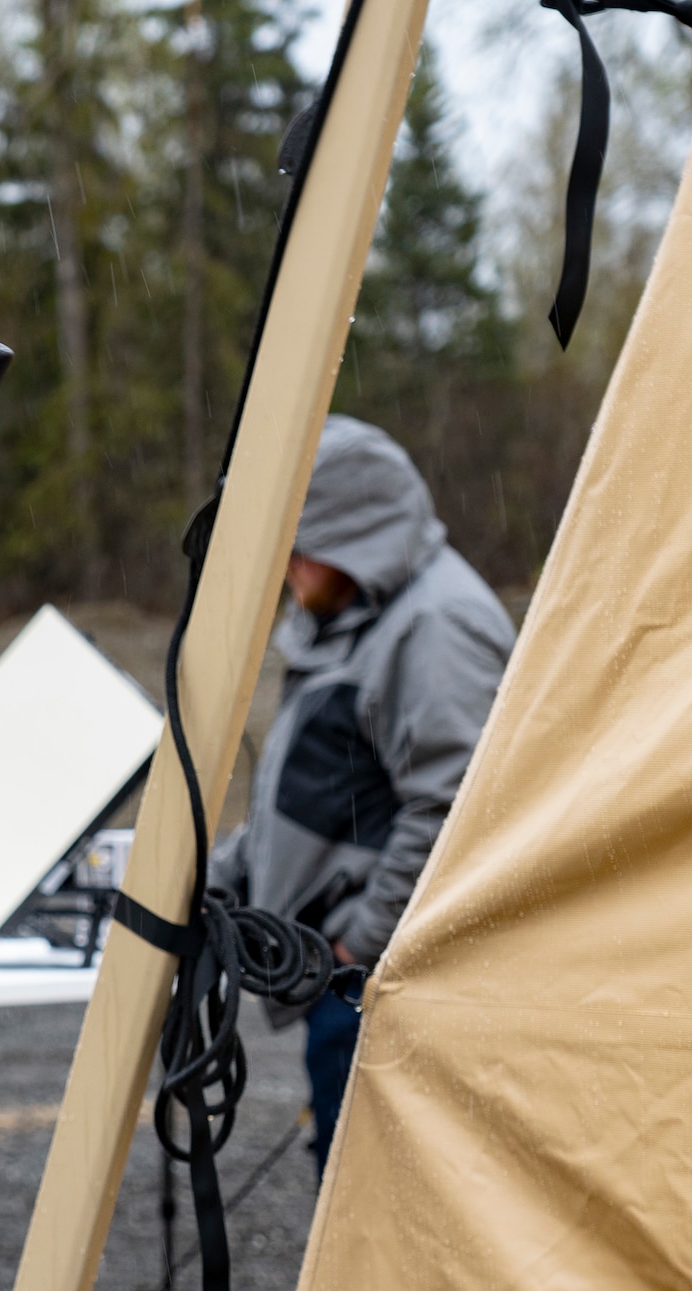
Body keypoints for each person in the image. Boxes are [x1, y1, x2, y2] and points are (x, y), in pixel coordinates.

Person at [207, 415, 513, 1175]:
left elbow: (455, 811)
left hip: (386, 994)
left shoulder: (437, 624)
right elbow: (318, 793)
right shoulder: (354, 620)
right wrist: (208, 883)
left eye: (303, 542)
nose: (289, 566)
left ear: (357, 531)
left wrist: (354, 947)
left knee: (387, 1230)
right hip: (353, 991)